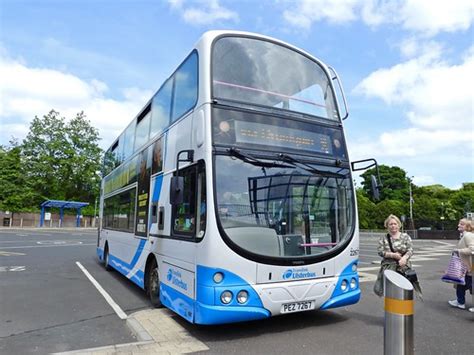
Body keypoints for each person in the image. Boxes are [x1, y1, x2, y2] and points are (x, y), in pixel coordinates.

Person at [374, 214, 422, 298]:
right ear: (387, 226)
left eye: (395, 224)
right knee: (391, 291)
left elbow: (410, 250)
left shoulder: (405, 236)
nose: (393, 226)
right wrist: (393, 255)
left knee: (403, 290)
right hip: (389, 268)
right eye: (391, 224)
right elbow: (380, 251)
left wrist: (404, 258)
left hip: (403, 267)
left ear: (399, 225)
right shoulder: (384, 238)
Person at [448, 218, 474, 311]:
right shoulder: (464, 235)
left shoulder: (468, 236)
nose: (459, 225)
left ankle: (460, 301)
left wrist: (458, 251)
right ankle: (460, 301)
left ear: (468, 226)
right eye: (459, 223)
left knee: (469, 285)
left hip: (469, 267)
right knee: (461, 284)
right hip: (465, 267)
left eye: (462, 224)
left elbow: (472, 249)